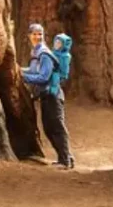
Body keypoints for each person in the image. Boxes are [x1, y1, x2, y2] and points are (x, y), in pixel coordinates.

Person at [21, 23, 74, 169]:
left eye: (40, 34)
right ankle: (66, 157)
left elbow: (43, 77)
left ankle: (65, 161)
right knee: (49, 128)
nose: (37, 37)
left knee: (57, 127)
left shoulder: (44, 54)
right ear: (29, 36)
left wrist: (24, 77)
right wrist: (19, 71)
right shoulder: (36, 53)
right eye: (34, 34)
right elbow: (33, 71)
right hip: (46, 96)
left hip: (53, 96)